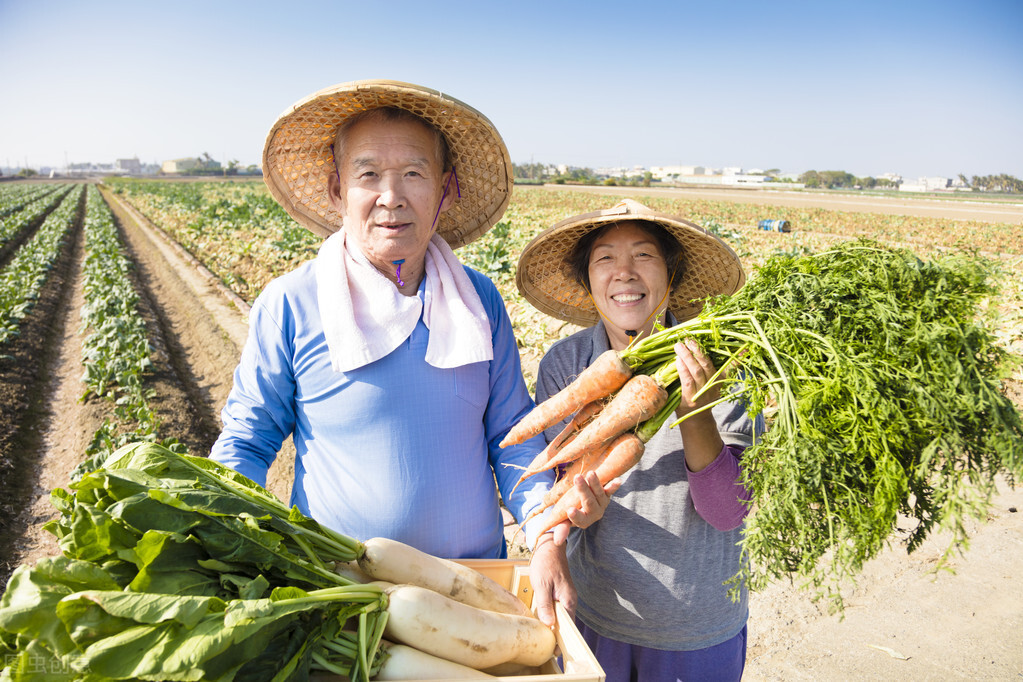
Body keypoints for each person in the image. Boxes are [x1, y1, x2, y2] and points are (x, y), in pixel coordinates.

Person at [209, 80, 611, 627]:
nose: (391, 196)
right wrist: (214, 533)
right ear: (337, 189)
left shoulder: (478, 301)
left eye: (414, 174)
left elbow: (513, 437)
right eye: (368, 174)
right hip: (339, 593)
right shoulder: (293, 303)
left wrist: (544, 535)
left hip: (474, 590)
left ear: (445, 192)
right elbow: (247, 439)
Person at [516, 198, 765, 680]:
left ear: (671, 276)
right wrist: (570, 518)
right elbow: (563, 481)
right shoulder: (567, 364)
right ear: (588, 281)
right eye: (605, 258)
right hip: (593, 615)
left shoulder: (725, 364)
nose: (624, 272)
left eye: (644, 255)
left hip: (695, 625)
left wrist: (696, 413)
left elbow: (728, 510)